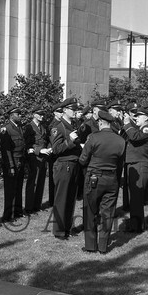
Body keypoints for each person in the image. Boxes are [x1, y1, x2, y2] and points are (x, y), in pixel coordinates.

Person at [79, 110, 125, 254]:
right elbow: (121, 162)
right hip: (112, 179)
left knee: (90, 211)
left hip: (94, 178)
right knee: (108, 213)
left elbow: (82, 159)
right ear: (111, 124)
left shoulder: (93, 137)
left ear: (100, 123)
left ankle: (91, 245)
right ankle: (103, 246)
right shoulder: (120, 140)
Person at [122, 107, 148, 233]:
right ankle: (135, 223)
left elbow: (134, 137)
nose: (136, 118)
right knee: (134, 196)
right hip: (134, 163)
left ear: (146, 118)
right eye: (135, 116)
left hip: (140, 164)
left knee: (137, 196)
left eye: (139, 116)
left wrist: (127, 123)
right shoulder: (140, 128)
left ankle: (137, 226)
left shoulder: (146, 128)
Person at [50, 97, 82, 239]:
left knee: (70, 199)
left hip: (73, 165)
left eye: (76, 109)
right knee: (62, 199)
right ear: (64, 110)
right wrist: (70, 141)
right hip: (64, 166)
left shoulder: (71, 125)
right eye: (72, 109)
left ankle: (67, 228)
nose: (75, 111)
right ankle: (59, 231)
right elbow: (56, 149)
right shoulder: (58, 127)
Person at [24, 105, 52, 214]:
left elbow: (46, 140)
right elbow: (27, 145)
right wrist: (39, 150)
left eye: (43, 114)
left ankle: (37, 205)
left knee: (41, 182)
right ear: (34, 114)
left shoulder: (43, 127)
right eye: (40, 114)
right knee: (33, 182)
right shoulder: (28, 127)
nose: (42, 116)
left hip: (43, 158)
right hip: (34, 158)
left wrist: (49, 148)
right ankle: (29, 208)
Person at [0, 106, 25, 222]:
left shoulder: (19, 127)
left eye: (20, 114)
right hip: (12, 161)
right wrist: (10, 166)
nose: (20, 116)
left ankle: (18, 211)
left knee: (19, 187)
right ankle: (8, 215)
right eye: (17, 114)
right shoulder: (6, 129)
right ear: (11, 116)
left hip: (20, 160)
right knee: (10, 189)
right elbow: (6, 150)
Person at [48, 103, 63, 206]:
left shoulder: (61, 123)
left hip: (58, 154)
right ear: (54, 113)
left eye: (62, 111)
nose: (61, 114)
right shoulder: (54, 124)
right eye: (59, 112)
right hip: (54, 154)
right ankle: (52, 200)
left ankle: (56, 199)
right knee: (53, 178)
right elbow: (53, 141)